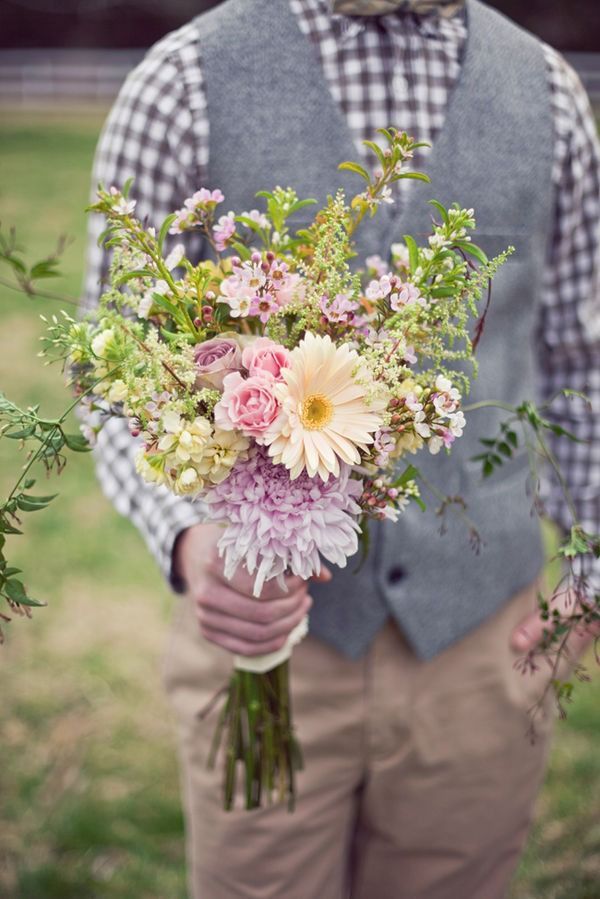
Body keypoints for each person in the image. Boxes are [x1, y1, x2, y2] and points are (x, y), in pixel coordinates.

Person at [82, 1, 600, 896]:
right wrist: (188, 537)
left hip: (484, 644)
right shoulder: (182, 78)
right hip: (264, 642)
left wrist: (592, 569)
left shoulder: (549, 91)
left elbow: (580, 359)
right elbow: (110, 361)